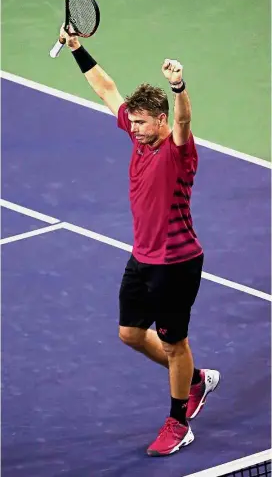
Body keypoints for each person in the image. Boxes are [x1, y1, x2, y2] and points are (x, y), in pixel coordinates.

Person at [59, 25, 220, 457]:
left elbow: (185, 119)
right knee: (130, 334)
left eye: (142, 122)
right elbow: (105, 88)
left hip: (177, 262)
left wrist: (178, 86)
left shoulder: (179, 149)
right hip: (142, 258)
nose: (134, 127)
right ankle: (196, 379)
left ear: (162, 119)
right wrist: (78, 48)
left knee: (173, 342)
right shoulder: (137, 133)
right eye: (132, 120)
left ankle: (178, 420)